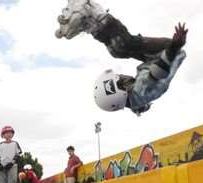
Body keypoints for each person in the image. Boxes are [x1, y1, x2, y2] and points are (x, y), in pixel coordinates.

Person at [55, 0, 188, 115]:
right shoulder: (139, 91)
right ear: (119, 92)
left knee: (116, 52)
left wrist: (141, 108)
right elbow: (157, 73)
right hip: (166, 52)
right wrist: (174, 46)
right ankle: (95, 13)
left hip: (152, 59)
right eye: (121, 81)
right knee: (124, 45)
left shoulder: (131, 101)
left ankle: (90, 24)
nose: (123, 77)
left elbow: (139, 105)